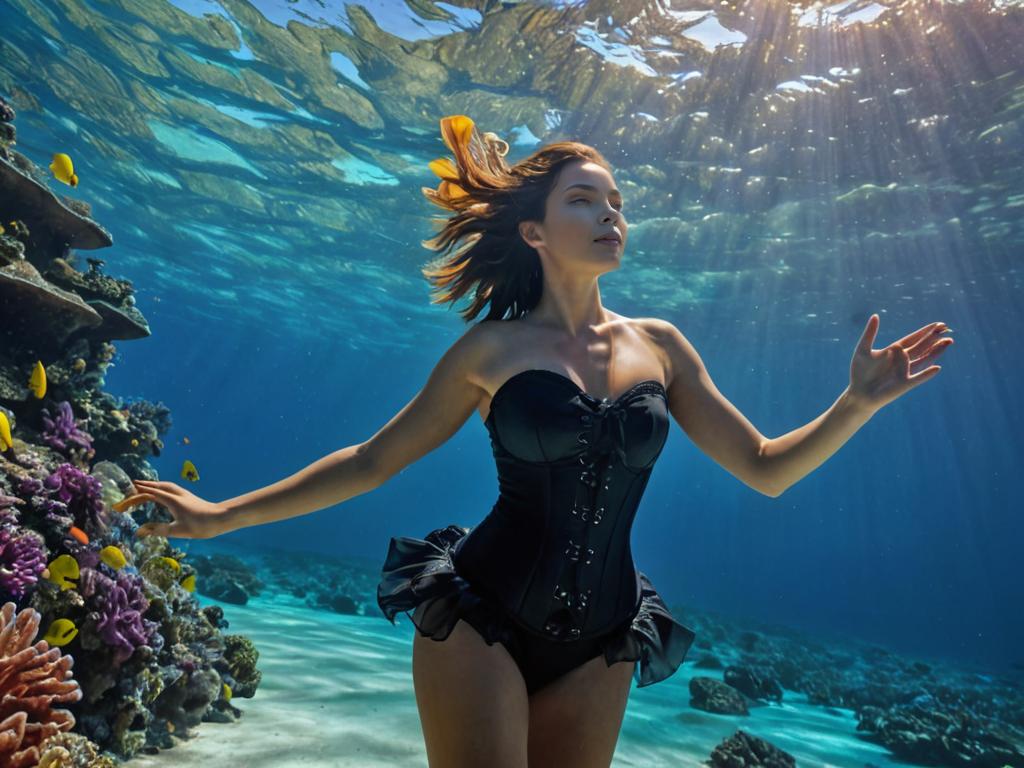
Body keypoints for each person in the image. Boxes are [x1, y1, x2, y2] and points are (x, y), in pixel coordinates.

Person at [116, 115, 954, 767]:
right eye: (584, 200)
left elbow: (767, 469)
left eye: (616, 201)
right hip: (483, 619)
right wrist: (220, 515)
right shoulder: (491, 349)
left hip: (607, 636)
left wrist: (855, 405)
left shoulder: (661, 345)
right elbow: (373, 462)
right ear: (535, 232)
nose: (609, 213)